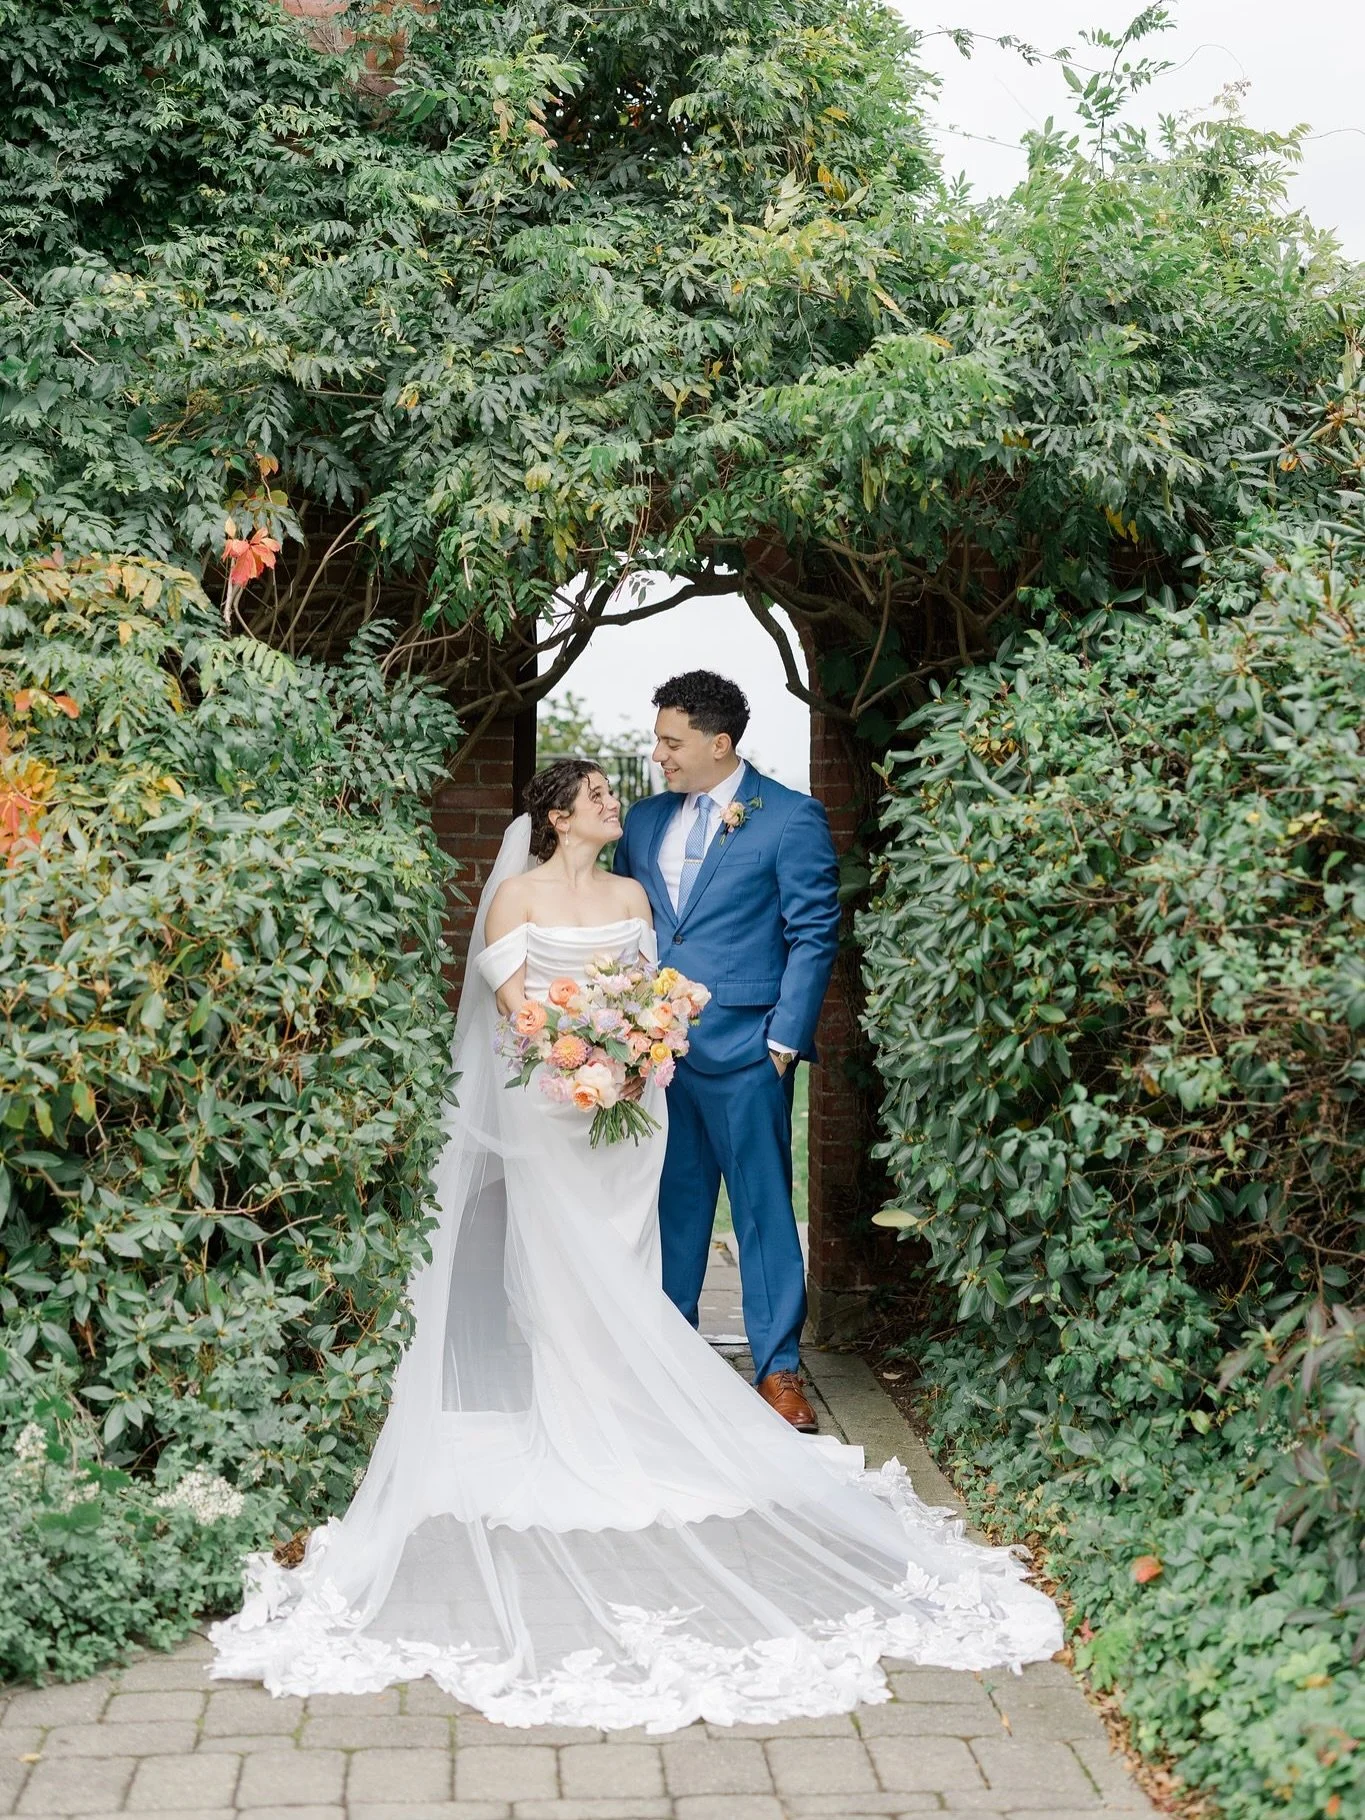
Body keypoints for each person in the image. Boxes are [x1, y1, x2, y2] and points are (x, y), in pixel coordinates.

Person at [211, 757, 1061, 1730]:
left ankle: (626, 1413)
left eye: (618, 792)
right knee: (558, 1266)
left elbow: (649, 987)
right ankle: (570, 1420)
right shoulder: (516, 898)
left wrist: (638, 1049)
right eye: (601, 797)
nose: (620, 802)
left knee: (624, 1257)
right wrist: (585, 1054)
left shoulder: (627, 892)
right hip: (548, 1109)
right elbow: (517, 1014)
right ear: (560, 814)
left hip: (630, 1113)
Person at [614, 671, 837, 1432]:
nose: (659, 756)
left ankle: (776, 1372)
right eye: (657, 741)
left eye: (671, 742)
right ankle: (671, 1359)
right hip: (659, 1057)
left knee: (762, 1210)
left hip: (747, 1050)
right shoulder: (642, 824)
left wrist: (783, 1041)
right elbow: (631, 930)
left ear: (719, 742)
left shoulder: (789, 819)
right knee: (671, 1210)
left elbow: (812, 932)